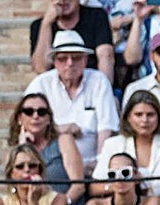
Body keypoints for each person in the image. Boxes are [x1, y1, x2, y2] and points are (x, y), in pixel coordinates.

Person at [24, 30, 120, 173]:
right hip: (50, 165)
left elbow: (106, 128)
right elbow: (25, 123)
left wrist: (99, 164)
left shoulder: (99, 81)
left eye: (76, 58)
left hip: (91, 165)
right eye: (63, 58)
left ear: (85, 60)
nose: (70, 63)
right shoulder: (41, 84)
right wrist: (60, 130)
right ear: (55, 62)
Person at [93, 91, 160, 203]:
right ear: (128, 117)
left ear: (159, 117)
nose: (145, 120)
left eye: (150, 115)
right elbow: (94, 188)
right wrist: (121, 186)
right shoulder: (112, 144)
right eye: (138, 115)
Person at [8, 92, 87, 205]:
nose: (35, 116)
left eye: (42, 112)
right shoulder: (15, 151)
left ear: (49, 118)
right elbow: (13, 190)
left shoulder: (64, 141)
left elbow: (79, 186)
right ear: (20, 118)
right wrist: (23, 149)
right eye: (29, 111)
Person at [31, 0, 115, 83]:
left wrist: (104, 88)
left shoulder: (97, 16)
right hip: (55, 88)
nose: (63, 1)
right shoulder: (40, 25)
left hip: (92, 83)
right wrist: (46, 24)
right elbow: (41, 68)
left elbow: (106, 56)